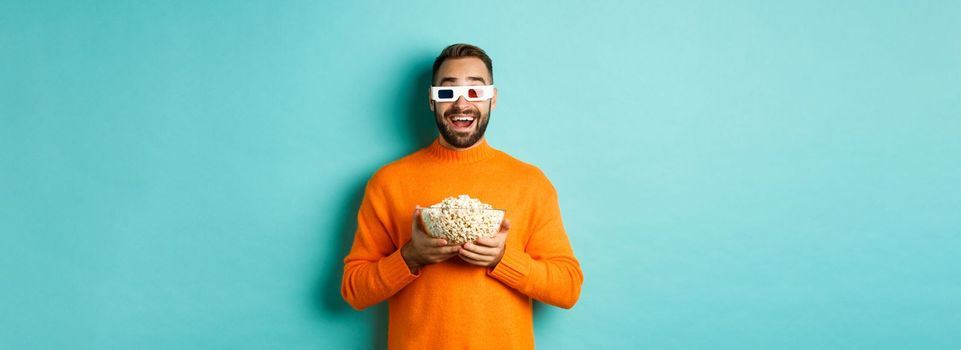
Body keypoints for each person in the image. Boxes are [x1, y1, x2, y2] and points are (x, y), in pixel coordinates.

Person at [341, 43, 583, 350]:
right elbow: (354, 290)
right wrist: (411, 257)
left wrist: (502, 259)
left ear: (492, 99)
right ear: (432, 100)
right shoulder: (389, 182)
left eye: (475, 91)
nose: (461, 103)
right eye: (447, 91)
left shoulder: (530, 183)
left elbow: (568, 288)